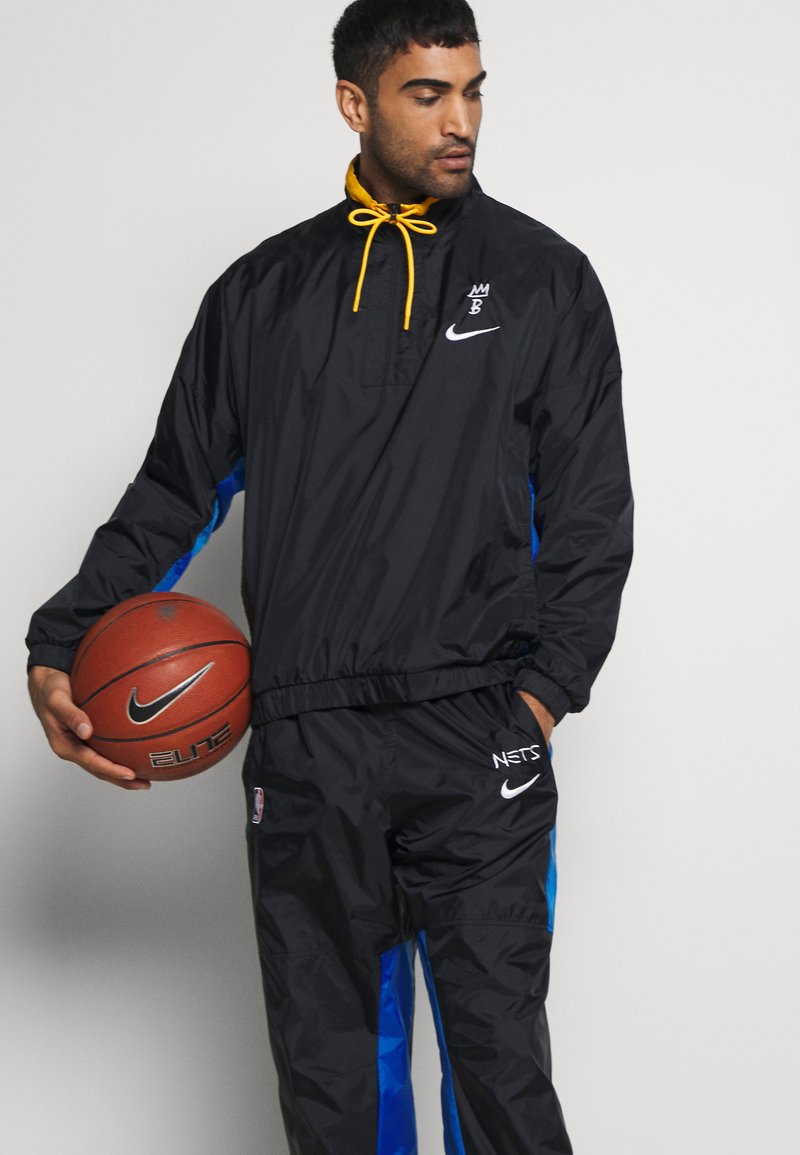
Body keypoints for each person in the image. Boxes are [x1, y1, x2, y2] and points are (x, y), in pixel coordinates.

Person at [26, 1, 634, 1151]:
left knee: (501, 1078)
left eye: (472, 90)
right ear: (354, 102)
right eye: (426, 94)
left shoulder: (543, 280)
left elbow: (590, 517)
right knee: (331, 1092)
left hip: (475, 734)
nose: (460, 122)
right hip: (308, 745)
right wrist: (61, 640)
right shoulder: (260, 295)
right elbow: (173, 494)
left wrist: (537, 698)